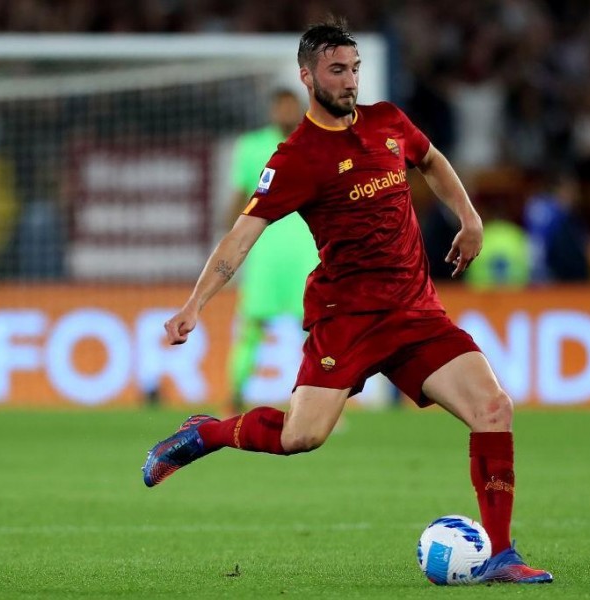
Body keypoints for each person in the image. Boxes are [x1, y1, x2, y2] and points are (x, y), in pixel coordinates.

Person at [142, 18, 552, 585]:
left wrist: (470, 216)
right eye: (337, 71)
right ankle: (206, 432)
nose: (350, 81)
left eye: (354, 69)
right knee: (300, 437)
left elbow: (430, 160)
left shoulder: (388, 122)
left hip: (415, 312)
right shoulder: (296, 158)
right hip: (347, 320)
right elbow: (240, 236)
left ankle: (502, 554)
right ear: (307, 76)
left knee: (493, 409)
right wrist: (195, 305)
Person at [225, 89, 318, 414]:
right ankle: (234, 398)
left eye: (291, 106)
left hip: (306, 249)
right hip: (264, 252)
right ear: (272, 110)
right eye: (280, 106)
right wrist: (231, 239)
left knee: (316, 331)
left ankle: (320, 405)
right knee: (251, 327)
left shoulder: (316, 144)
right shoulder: (250, 147)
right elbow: (240, 197)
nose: (286, 112)